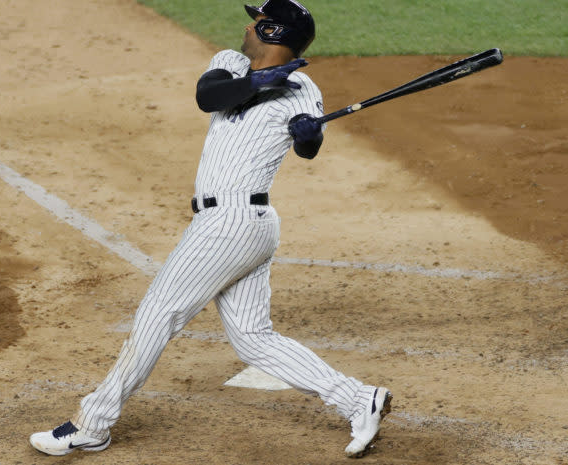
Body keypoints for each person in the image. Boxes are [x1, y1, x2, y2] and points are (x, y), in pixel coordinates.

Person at [30, 0, 392, 459]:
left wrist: (308, 134)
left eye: (258, 22)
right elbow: (210, 95)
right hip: (236, 226)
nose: (247, 26)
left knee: (157, 315)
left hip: (233, 225)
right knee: (253, 339)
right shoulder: (231, 62)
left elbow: (309, 149)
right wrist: (258, 84)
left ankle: (93, 422)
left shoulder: (302, 89)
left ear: (275, 31)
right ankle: (360, 399)